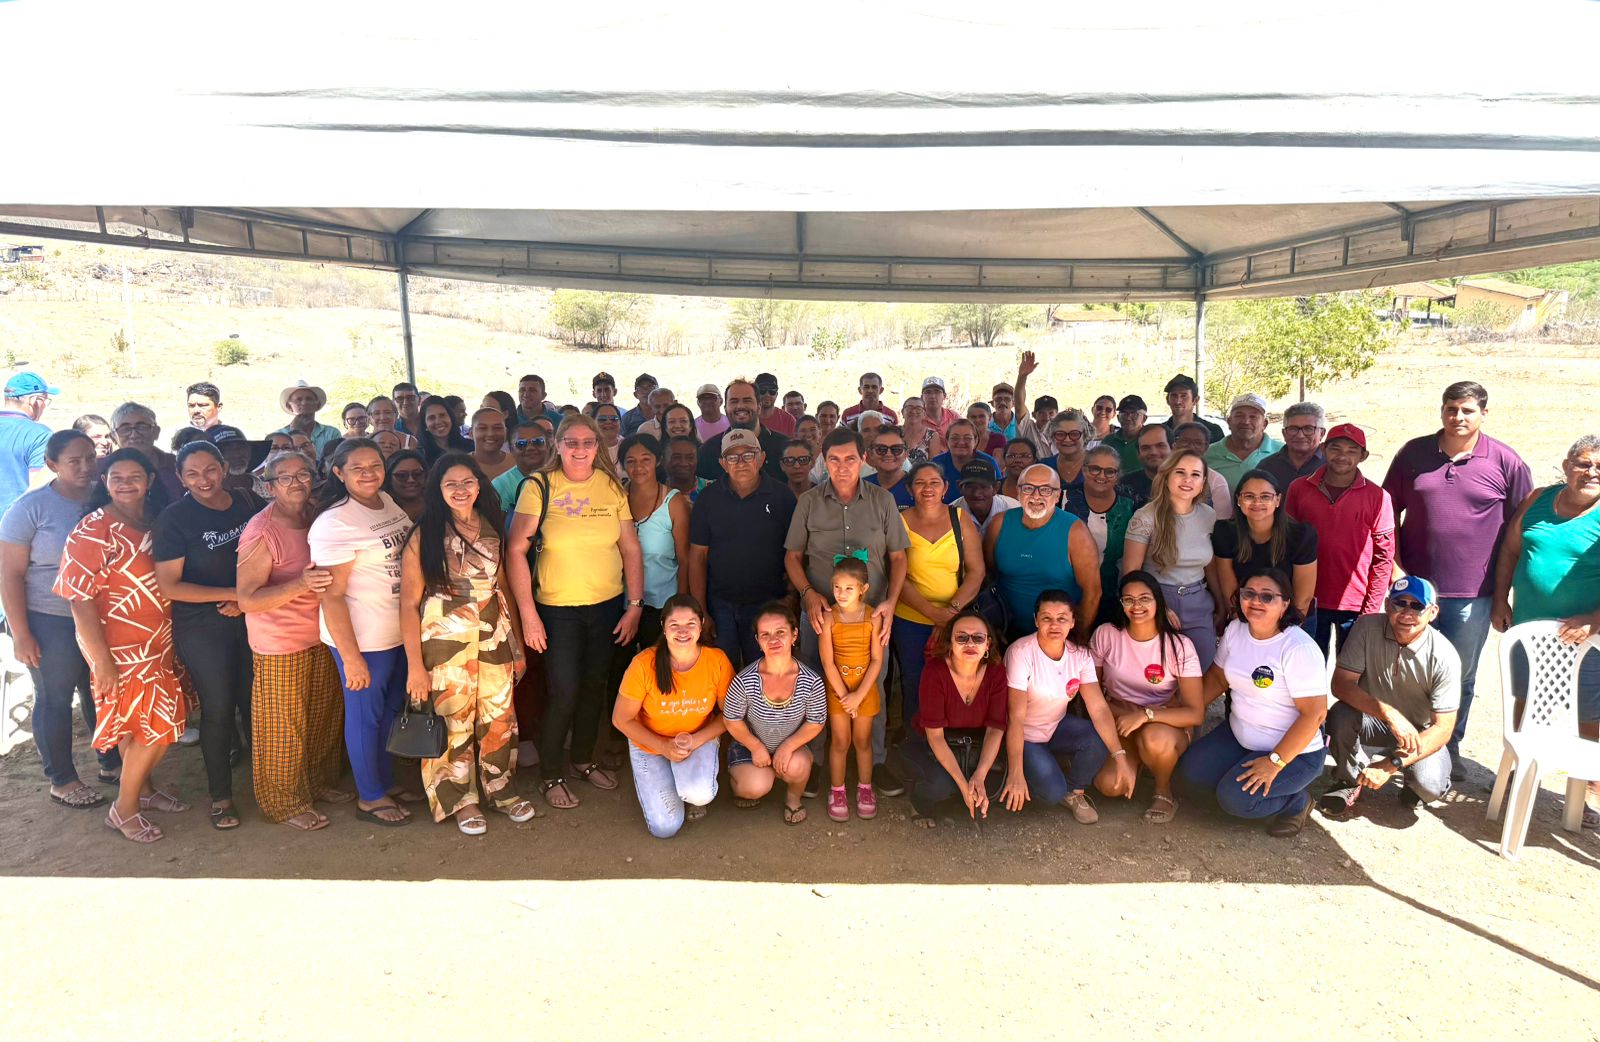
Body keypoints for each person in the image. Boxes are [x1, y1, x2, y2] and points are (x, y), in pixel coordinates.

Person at [1383, 381, 1532, 771]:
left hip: (1473, 594)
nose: (1458, 417)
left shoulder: (1505, 462)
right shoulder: (1413, 454)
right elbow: (1386, 515)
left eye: (1467, 410)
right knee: (1402, 668)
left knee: (1459, 674)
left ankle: (1446, 748)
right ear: (1442, 410)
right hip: (1414, 591)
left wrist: (1502, 596)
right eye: (1451, 409)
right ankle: (1398, 742)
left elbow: (1520, 532)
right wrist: (1397, 568)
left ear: (1484, 413)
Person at [506, 414, 644, 811]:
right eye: (571, 442)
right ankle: (551, 773)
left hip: (606, 606)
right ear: (559, 445)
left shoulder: (611, 486)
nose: (580, 449)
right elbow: (515, 550)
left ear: (598, 446)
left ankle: (583, 759)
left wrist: (634, 605)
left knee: (593, 689)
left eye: (588, 442)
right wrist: (528, 615)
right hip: (556, 609)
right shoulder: (539, 486)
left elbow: (630, 548)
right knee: (564, 691)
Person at [54, 448, 186, 843]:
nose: (126, 483)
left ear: (149, 480)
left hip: (158, 640)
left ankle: (143, 791)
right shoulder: (93, 528)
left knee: (136, 725)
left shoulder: (154, 522)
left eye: (134, 476)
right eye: (116, 477)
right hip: (119, 648)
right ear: (104, 483)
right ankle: (123, 809)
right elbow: (78, 599)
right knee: (159, 727)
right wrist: (102, 661)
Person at [399, 452, 535, 834]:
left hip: (494, 631)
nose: (460, 490)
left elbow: (504, 586)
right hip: (445, 636)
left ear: (479, 485)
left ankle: (501, 790)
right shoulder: (424, 534)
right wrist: (414, 667)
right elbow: (408, 604)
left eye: (467, 482)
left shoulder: (492, 525)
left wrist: (519, 644)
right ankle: (459, 800)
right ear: (437, 490)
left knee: (499, 717)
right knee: (452, 717)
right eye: (450, 484)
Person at [785, 427, 911, 797]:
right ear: (825, 460)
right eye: (835, 460)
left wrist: (891, 601)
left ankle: (877, 761)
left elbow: (899, 557)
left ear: (864, 459)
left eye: (850, 459)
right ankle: (821, 762)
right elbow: (793, 557)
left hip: (870, 618)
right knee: (817, 687)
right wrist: (807, 593)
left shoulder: (882, 500)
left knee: (872, 684)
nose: (842, 467)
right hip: (822, 614)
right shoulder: (808, 502)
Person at [0, 430, 120, 807]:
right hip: (51, 618)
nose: (86, 467)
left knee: (99, 690)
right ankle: (62, 779)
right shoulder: (30, 508)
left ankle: (110, 761)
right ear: (51, 464)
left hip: (102, 616)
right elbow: (9, 574)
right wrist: (21, 632)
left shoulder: (107, 495)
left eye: (90, 457)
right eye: (74, 461)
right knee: (54, 696)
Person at [151, 441, 263, 831]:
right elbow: (171, 586)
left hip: (249, 617)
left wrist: (246, 602)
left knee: (255, 703)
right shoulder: (175, 519)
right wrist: (234, 595)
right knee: (218, 707)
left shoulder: (246, 502)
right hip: (202, 625)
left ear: (224, 468)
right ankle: (221, 796)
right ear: (180, 478)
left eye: (211, 469)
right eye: (193, 473)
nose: (204, 479)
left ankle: (269, 786)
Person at [235, 449, 348, 831]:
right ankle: (283, 802)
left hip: (323, 632)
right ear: (268, 487)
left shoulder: (316, 513)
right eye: (285, 477)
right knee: (284, 726)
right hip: (280, 642)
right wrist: (301, 583)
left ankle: (315, 784)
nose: (296, 482)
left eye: (303, 474)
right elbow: (247, 598)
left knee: (322, 716)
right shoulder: (261, 530)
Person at [1490, 433, 1600, 820]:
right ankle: (1521, 770)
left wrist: (1593, 620)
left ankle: (1585, 789)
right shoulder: (1539, 499)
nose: (1591, 472)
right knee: (1525, 699)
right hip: (1528, 627)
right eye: (1584, 463)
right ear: (1568, 465)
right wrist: (1500, 598)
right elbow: (1510, 549)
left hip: (1585, 638)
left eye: (1599, 467)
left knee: (1588, 712)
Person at [308, 438, 416, 827]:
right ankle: (369, 796)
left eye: (375, 465)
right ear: (338, 473)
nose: (369, 473)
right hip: (364, 639)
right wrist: (351, 657)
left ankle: (384, 781)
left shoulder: (385, 501)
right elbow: (331, 597)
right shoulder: (335, 522)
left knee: (388, 711)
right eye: (358, 468)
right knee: (364, 716)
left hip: (397, 631)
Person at [1176, 570, 1329, 837]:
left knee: (1236, 800)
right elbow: (1217, 679)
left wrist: (1274, 762)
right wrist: (1182, 713)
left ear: (1285, 605)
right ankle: (1237, 786)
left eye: (1267, 596)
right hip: (1239, 737)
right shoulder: (1236, 630)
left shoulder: (1297, 648)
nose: (1256, 601)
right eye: (1249, 594)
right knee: (1191, 774)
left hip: (1293, 752)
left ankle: (1296, 802)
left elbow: (1314, 715)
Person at [1321, 576, 1460, 821]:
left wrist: (1390, 764)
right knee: (1340, 714)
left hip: (1419, 731)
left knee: (1429, 785)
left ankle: (1415, 781)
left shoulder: (1445, 655)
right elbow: (1341, 685)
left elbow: (1443, 728)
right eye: (1399, 603)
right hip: (1374, 719)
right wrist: (1389, 713)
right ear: (1387, 605)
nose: (1406, 613)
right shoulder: (1366, 627)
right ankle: (1348, 779)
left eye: (1417, 606)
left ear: (1433, 612)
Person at [1000, 590, 1132, 823]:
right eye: (1046, 618)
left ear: (1072, 622)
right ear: (1035, 621)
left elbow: (1099, 709)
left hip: (1055, 726)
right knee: (1050, 793)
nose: (1054, 624)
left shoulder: (1079, 655)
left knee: (1097, 737)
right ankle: (1025, 773)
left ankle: (1074, 792)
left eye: (1062, 618)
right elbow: (1016, 717)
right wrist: (1016, 772)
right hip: (1025, 735)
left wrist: (1120, 757)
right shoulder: (1021, 653)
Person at [612, 594, 732, 838]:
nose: (683, 631)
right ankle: (666, 775)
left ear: (701, 624)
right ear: (663, 628)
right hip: (649, 743)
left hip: (696, 738)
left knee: (699, 794)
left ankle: (685, 785)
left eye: (690, 623)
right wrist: (662, 746)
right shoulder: (644, 664)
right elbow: (620, 719)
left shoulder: (716, 660)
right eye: (674, 625)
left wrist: (696, 740)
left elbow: (730, 716)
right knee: (664, 827)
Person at [1090, 572, 1205, 823]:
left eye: (1144, 598)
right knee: (1110, 786)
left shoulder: (1179, 645)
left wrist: (1144, 715)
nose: (1137, 606)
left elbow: (1195, 713)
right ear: (1120, 603)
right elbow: (1092, 691)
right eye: (1128, 599)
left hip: (1162, 721)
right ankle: (1137, 760)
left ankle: (1163, 789)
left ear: (1158, 601)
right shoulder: (1106, 635)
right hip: (1118, 718)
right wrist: (1122, 715)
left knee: (1154, 739)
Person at [687, 429, 796, 668]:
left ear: (762, 457)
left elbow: (795, 552)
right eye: (732, 457)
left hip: (769, 603)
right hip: (720, 604)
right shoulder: (708, 498)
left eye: (748, 454)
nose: (741, 462)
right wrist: (701, 610)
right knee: (723, 672)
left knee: (765, 671)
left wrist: (791, 596)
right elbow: (697, 556)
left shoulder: (782, 497)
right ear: (722, 464)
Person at [893, 461, 986, 741]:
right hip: (910, 619)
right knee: (916, 682)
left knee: (953, 681)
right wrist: (934, 614)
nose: (928, 488)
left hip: (956, 619)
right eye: (920, 483)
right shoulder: (899, 521)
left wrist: (951, 612)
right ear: (910, 489)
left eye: (934, 482)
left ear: (945, 487)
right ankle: (917, 744)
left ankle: (953, 742)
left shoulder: (960, 518)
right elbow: (897, 576)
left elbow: (976, 570)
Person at [1286, 424, 1394, 653]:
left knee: (1351, 676)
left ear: (1363, 456)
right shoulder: (1299, 489)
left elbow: (1384, 557)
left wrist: (1371, 610)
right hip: (1308, 601)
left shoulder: (1378, 497)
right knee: (1308, 672)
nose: (1342, 456)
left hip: (1356, 605)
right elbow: (1286, 543)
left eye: (1351, 450)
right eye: (1336, 448)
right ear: (1323, 449)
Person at [723, 601, 827, 825]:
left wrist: (788, 746)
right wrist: (756, 747)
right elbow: (731, 720)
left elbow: (816, 722)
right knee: (755, 786)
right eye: (765, 634)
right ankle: (749, 780)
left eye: (781, 632)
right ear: (758, 641)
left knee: (797, 765)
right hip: (751, 747)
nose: (773, 640)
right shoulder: (745, 680)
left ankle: (792, 798)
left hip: (791, 745)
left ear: (794, 634)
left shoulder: (810, 680)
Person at [901, 610, 1008, 827]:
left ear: (987, 645)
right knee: (943, 784)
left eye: (978, 638)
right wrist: (962, 783)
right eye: (961, 637)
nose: (970, 643)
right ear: (950, 642)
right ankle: (918, 802)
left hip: (975, 745)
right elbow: (935, 736)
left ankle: (961, 791)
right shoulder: (935, 671)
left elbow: (995, 728)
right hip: (932, 743)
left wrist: (979, 775)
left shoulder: (996, 671)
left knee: (992, 784)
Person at [1122, 450, 1220, 670]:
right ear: (1166, 476)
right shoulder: (1145, 517)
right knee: (1159, 674)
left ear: (1203, 482)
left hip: (1198, 601)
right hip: (1156, 601)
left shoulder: (1209, 516)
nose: (1188, 480)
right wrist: (1159, 607)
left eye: (1195, 474)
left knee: (1201, 670)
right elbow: (1131, 573)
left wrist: (1221, 602)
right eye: (1180, 472)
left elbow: (1211, 565)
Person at [983, 463, 1101, 641]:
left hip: (1057, 636)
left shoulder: (1075, 532)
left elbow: (1092, 593)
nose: (1036, 496)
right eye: (1028, 488)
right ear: (1018, 491)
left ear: (1057, 495)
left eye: (1045, 489)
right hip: (1005, 630)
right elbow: (988, 574)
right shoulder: (999, 524)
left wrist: (1077, 637)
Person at [818, 557, 886, 821]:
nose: (841, 593)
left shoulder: (873, 617)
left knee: (862, 741)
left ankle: (865, 789)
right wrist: (845, 696)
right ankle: (837, 791)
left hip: (865, 690)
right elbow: (827, 661)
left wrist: (858, 696)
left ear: (863, 589)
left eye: (849, 588)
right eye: (837, 587)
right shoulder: (828, 617)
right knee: (840, 742)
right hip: (838, 691)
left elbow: (877, 660)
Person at [1213, 470, 1317, 623]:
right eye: (1249, 496)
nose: (1257, 502)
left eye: (1265, 496)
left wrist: (1282, 631)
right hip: (1245, 618)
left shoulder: (1301, 535)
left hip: (1293, 620)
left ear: (1278, 500)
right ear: (1238, 500)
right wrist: (1246, 627)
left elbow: (1303, 598)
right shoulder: (1225, 532)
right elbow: (1230, 593)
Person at [621, 434, 692, 649]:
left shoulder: (673, 501)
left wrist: (680, 604)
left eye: (645, 459)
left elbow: (685, 558)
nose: (638, 467)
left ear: (658, 460)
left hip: (663, 602)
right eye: (630, 461)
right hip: (621, 602)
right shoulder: (616, 498)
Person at [1062, 445, 1135, 613]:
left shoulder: (1131, 503)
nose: (1101, 476)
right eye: (1095, 469)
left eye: (1110, 471)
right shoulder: (1062, 498)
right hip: (1067, 593)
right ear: (1084, 469)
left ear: (1118, 475)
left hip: (1114, 595)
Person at [697, 379, 788, 482]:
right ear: (725, 408)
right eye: (734, 401)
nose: (740, 406)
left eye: (747, 400)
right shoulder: (708, 451)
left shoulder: (784, 447)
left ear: (759, 406)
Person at [0, 370, 57, 511]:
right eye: (44, 399)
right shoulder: (40, 435)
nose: (44, 405)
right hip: (12, 523)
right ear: (33, 400)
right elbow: (39, 489)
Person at [1205, 393, 1283, 495]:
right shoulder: (1208, 454)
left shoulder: (1282, 452)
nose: (1246, 421)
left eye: (1253, 417)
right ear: (1229, 422)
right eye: (1239, 415)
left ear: (1264, 424)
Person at [106, 404, 183, 502]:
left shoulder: (177, 465)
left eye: (142, 427)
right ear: (113, 437)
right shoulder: (101, 468)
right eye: (125, 429)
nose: (134, 435)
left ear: (156, 432)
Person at [1258, 402, 1326, 492]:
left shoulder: (1332, 467)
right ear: (1284, 433)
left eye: (1308, 429)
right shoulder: (1266, 467)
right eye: (1293, 429)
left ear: (1322, 433)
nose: (1300, 435)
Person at [1172, 422, 1233, 520]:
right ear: (1174, 444)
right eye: (1185, 441)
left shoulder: (1215, 480)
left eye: (1198, 443)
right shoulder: (1163, 474)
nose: (1191, 446)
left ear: (1206, 448)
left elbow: (1222, 521)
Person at [492, 418, 553, 514]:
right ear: (511, 449)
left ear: (548, 445)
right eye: (521, 444)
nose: (530, 448)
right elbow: (498, 525)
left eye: (537, 442)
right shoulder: (501, 484)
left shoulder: (561, 476)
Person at [932, 419, 998, 503]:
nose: (961, 442)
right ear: (947, 440)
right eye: (955, 438)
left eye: (967, 438)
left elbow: (998, 495)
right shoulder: (936, 464)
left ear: (975, 440)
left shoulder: (988, 462)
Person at [1008, 351, 1057, 459]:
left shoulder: (1063, 433)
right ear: (1034, 415)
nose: (1047, 417)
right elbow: (1019, 404)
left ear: (1057, 414)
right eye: (1042, 413)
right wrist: (1022, 376)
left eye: (1051, 413)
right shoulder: (1027, 427)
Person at [950, 458, 1018, 533]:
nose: (976, 493)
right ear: (960, 488)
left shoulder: (1014, 511)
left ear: (996, 488)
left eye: (983, 486)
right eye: (970, 486)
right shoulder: (950, 515)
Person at [276, 380, 342, 454]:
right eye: (299, 399)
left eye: (309, 399)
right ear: (289, 406)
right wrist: (294, 431)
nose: (304, 403)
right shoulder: (279, 436)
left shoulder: (331, 433)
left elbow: (335, 461)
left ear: (317, 405)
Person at [1043, 410, 1091, 508]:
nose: (1067, 439)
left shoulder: (1100, 465)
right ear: (1053, 436)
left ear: (1085, 435)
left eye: (1074, 434)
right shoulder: (1044, 467)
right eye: (1060, 434)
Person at [1159, 374, 1224, 443]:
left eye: (1184, 396)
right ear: (1167, 400)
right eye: (1174, 396)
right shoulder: (1160, 433)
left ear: (1195, 400)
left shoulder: (1213, 431)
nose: (1178, 401)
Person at [863, 424, 914, 508]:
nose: (888, 454)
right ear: (871, 454)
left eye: (896, 449)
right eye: (881, 449)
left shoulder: (917, 487)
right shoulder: (861, 488)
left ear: (906, 454)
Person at [1122, 425, 1172, 506]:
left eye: (1160, 446)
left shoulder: (1187, 482)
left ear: (1173, 448)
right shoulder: (1125, 486)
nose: (1153, 452)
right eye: (1145, 448)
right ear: (1138, 453)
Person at [419, 395, 472, 467]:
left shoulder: (470, 447)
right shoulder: (420, 454)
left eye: (442, 415)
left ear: (451, 417)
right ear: (425, 424)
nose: (438, 421)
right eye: (431, 418)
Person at [1101, 395, 1149, 475]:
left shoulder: (1151, 440)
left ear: (1144, 418)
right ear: (1118, 417)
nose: (1128, 418)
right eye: (1124, 413)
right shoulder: (1108, 441)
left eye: (1134, 414)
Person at [469, 408, 516, 481]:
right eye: (482, 428)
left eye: (497, 428)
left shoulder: (517, 463)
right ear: (471, 433)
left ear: (506, 432)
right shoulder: (460, 465)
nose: (490, 434)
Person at [383, 450, 428, 521]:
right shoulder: (380, 507)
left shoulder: (437, 504)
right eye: (402, 475)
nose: (411, 480)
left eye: (417, 474)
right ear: (388, 478)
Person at [898, 397, 944, 465]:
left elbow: (934, 466)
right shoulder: (893, 432)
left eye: (918, 409)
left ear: (924, 414)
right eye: (909, 408)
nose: (913, 411)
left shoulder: (932, 435)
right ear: (902, 412)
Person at [663, 434, 709, 502]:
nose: (683, 463)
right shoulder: (655, 493)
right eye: (676, 457)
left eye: (690, 458)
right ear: (663, 461)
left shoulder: (712, 490)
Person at [754, 373, 795, 438]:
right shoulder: (748, 418)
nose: (767, 394)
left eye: (772, 391)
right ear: (754, 393)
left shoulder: (788, 420)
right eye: (762, 390)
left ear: (776, 394)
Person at [621, 372, 657, 437]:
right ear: (635, 394)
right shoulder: (627, 418)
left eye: (650, 387)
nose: (646, 391)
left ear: (657, 392)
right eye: (641, 388)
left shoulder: (663, 414)